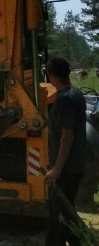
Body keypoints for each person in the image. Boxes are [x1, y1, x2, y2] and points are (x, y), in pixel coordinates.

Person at [45, 56, 87, 246]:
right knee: (62, 215)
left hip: (66, 169)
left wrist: (57, 169)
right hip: (73, 166)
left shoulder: (64, 100)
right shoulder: (76, 93)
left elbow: (67, 136)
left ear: (50, 75)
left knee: (60, 217)